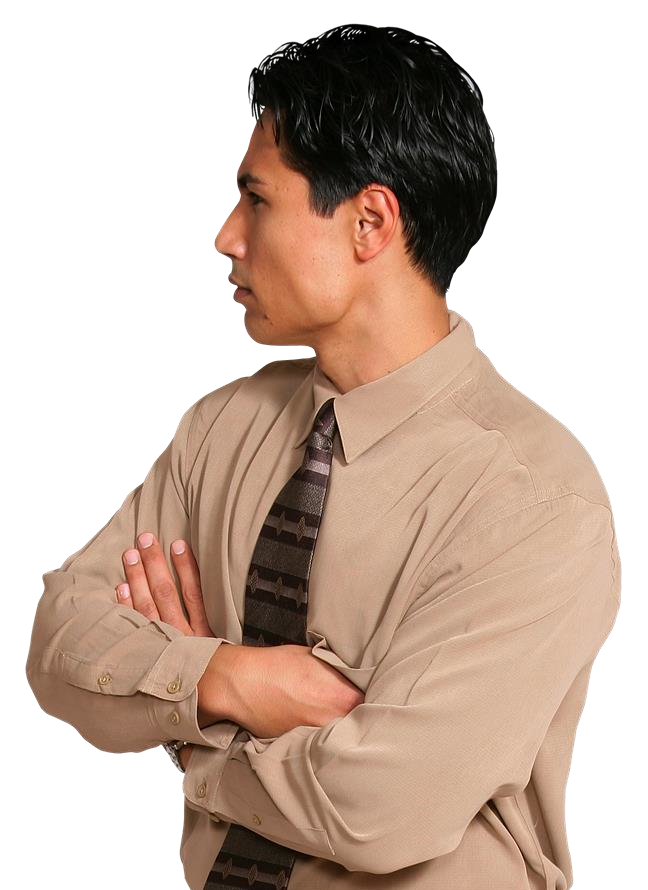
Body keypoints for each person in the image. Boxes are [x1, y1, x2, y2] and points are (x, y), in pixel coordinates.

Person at [26, 23, 620, 890]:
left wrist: (186, 725)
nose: (226, 236)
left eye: (257, 200)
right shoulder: (221, 425)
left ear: (369, 222)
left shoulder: (533, 499)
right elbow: (58, 645)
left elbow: (378, 808)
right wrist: (230, 679)